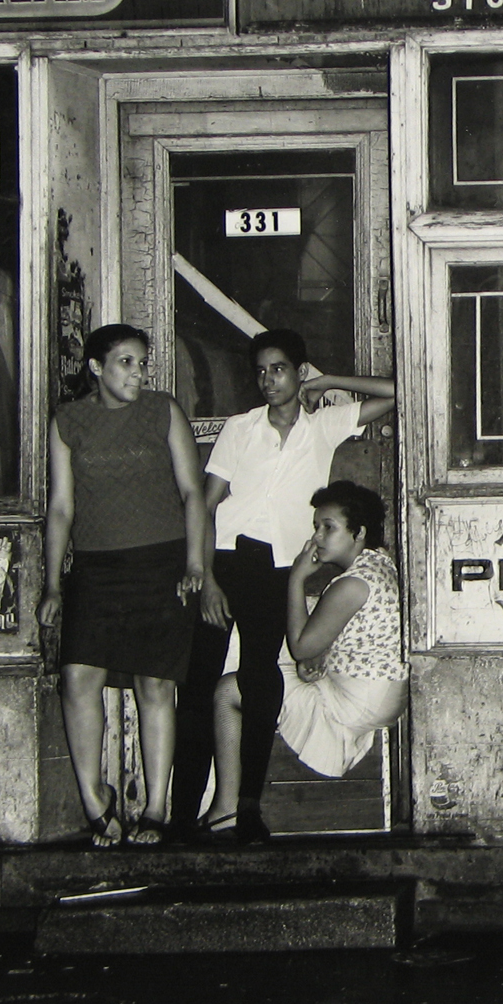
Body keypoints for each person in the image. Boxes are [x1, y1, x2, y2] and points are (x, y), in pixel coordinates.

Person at [170, 329, 395, 843]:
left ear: (298, 372)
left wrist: (329, 381)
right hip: (226, 562)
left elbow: (398, 392)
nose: (269, 380)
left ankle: (246, 808)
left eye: (279, 369)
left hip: (276, 571)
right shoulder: (240, 428)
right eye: (261, 371)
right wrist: (205, 577)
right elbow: (206, 504)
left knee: (261, 681)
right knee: (199, 686)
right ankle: (181, 817)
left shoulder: (324, 426)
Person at [38, 324, 210, 847]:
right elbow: (61, 507)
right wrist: (52, 584)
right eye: (126, 362)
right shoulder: (68, 421)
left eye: (143, 363)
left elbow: (193, 492)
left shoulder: (163, 411)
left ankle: (155, 809)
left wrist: (195, 564)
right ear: (96, 367)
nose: (139, 373)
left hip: (162, 564)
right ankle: (95, 799)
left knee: (155, 686)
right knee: (77, 679)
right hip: (96, 568)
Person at [211, 481, 405, 792]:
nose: (316, 537)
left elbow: (300, 648)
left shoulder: (353, 584)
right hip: (375, 691)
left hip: (357, 701)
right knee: (267, 663)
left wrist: (296, 578)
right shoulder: (379, 563)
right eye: (316, 527)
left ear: (359, 532)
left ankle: (226, 807)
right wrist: (318, 656)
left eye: (328, 527)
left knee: (228, 691)